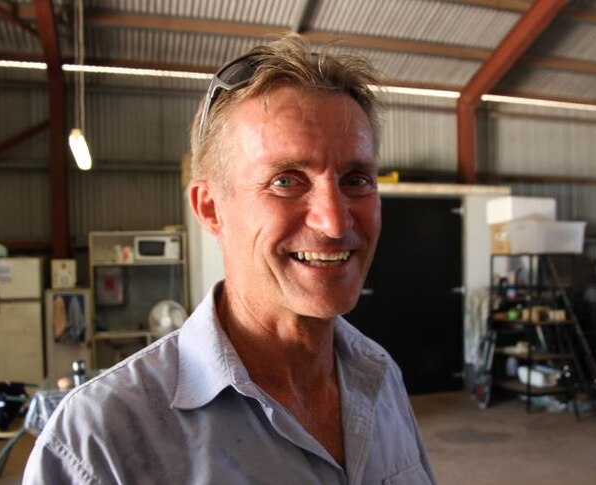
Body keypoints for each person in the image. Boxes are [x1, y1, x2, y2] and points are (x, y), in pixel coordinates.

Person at [23, 34, 435, 484]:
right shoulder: (101, 441)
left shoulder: (380, 377)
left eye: (356, 178)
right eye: (286, 181)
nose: (334, 222)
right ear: (210, 208)